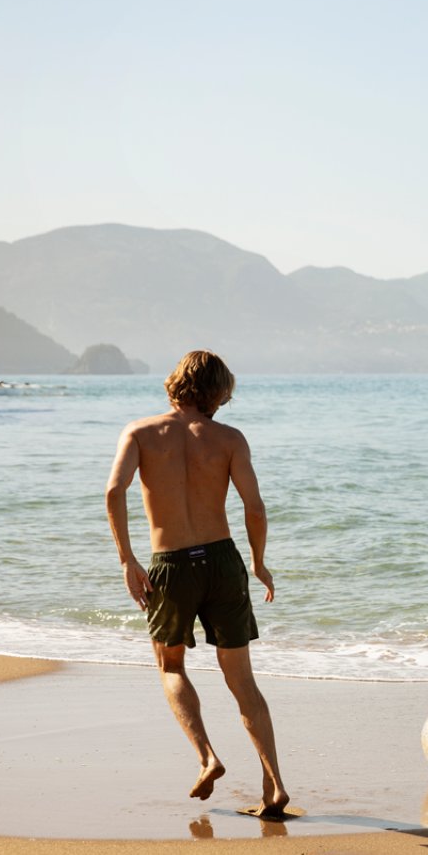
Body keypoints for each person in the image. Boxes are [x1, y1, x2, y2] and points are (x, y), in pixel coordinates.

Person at [105, 350, 290, 818]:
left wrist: (127, 560)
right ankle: (274, 787)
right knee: (242, 680)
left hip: (171, 564)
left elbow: (114, 491)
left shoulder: (141, 432)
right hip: (223, 561)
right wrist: (259, 562)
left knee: (170, 667)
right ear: (218, 392)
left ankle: (207, 756)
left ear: (175, 383)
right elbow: (255, 506)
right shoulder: (229, 439)